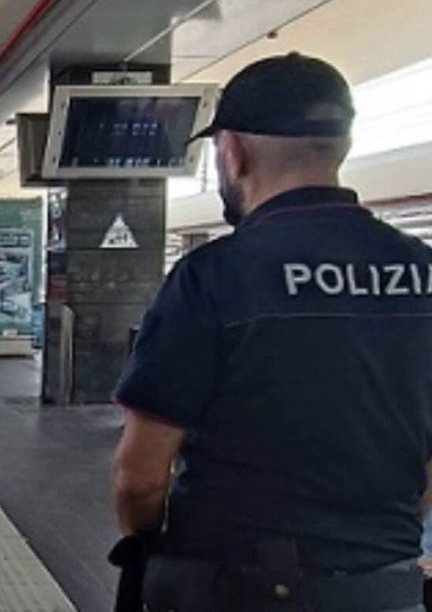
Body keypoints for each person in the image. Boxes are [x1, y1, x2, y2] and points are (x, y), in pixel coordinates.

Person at [110, 52, 432, 612]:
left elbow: (140, 477)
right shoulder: (424, 271)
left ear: (232, 152)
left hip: (232, 584)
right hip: (385, 587)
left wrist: (152, 543)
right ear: (343, 146)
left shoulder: (214, 276)